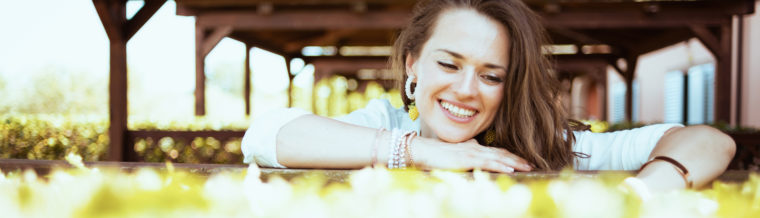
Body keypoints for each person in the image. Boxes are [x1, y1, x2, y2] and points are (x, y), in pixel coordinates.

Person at [241, 0, 735, 193]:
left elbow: (708, 140)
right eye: (449, 64)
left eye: (491, 75)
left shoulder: (543, 144)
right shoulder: (384, 122)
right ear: (413, 64)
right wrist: (422, 150)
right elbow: (265, 135)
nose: (465, 89)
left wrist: (640, 197)